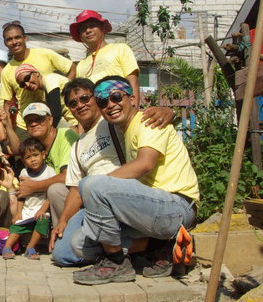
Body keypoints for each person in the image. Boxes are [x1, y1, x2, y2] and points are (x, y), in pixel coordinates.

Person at [72, 76, 199, 285]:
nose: (110, 104)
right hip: (151, 210)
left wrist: (97, 188)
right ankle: (162, 247)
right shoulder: (125, 131)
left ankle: (116, 263)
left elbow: (145, 164)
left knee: (91, 184)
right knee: (80, 244)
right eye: (103, 101)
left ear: (132, 99)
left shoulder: (147, 121)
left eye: (115, 97)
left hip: (177, 206)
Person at [48, 78, 177, 268]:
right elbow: (75, 190)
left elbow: (137, 116)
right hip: (94, 201)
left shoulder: (112, 121)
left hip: (126, 194)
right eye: (73, 103)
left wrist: (167, 111)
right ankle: (148, 247)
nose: (80, 105)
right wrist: (63, 220)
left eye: (85, 98)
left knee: (93, 188)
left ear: (97, 98)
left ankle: (122, 253)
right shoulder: (76, 147)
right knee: (62, 255)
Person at [0, 102, 78, 228]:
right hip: (41, 202)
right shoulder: (36, 144)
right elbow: (16, 150)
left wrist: (34, 187)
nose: (34, 123)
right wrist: (8, 126)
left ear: (50, 120)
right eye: (29, 121)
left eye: (39, 119)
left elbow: (67, 176)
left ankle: (65, 231)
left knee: (54, 190)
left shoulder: (65, 135)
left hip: (71, 195)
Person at [0, 21, 75, 141]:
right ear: (5, 43)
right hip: (25, 125)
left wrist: (66, 95)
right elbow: (7, 103)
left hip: (54, 117)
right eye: (9, 39)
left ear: (25, 38)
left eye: (17, 37)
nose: (14, 42)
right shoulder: (6, 71)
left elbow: (71, 68)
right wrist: (10, 130)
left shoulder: (45, 54)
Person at [2, 138, 56, 260]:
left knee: (43, 220)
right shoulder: (24, 172)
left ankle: (30, 248)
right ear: (23, 160)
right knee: (17, 224)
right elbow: (21, 195)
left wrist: (42, 210)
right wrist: (18, 213)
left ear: (43, 154)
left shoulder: (50, 172)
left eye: (35, 155)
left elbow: (50, 196)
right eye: (28, 157)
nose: (33, 159)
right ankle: (7, 247)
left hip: (42, 207)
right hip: (27, 207)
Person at [70, 10, 140, 103]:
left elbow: (132, 80)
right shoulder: (81, 65)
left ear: (102, 28)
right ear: (80, 36)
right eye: (83, 29)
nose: (88, 31)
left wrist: (134, 106)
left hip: (119, 106)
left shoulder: (120, 48)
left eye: (92, 26)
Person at [14, 63, 77, 129]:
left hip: (77, 121)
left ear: (37, 73)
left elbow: (56, 114)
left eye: (27, 78)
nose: (27, 84)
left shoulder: (49, 79)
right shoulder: (41, 91)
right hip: (72, 120)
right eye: (22, 84)